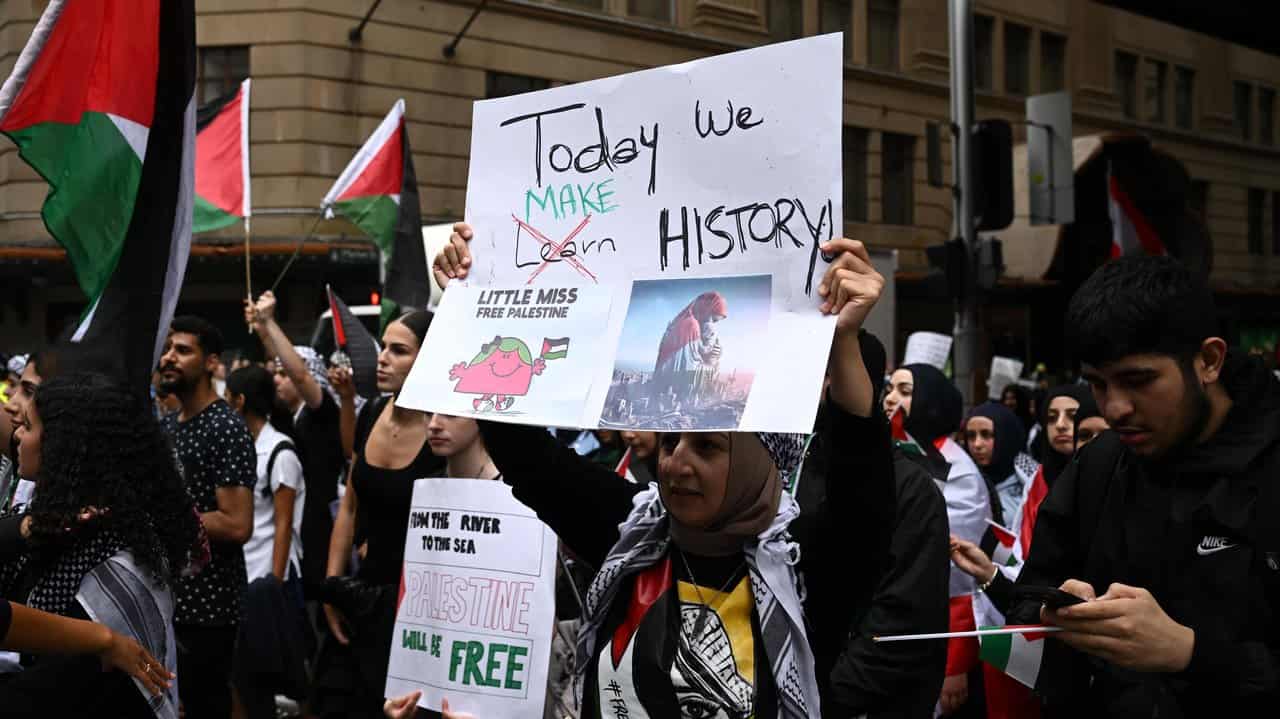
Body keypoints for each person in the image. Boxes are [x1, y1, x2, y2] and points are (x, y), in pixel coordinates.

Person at [421, 223, 894, 718]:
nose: (674, 463)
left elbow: (864, 491)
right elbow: (527, 457)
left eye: (707, 447)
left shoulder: (807, 564)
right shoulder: (632, 530)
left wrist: (843, 339)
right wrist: (477, 305)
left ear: (759, 464)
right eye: (669, 440)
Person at [1004, 256, 1280, 715]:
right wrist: (1058, 611)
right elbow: (1033, 591)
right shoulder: (1100, 464)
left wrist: (1189, 653)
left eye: (1138, 381)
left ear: (1208, 361)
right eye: (1097, 384)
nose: (1115, 408)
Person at [0, 372, 203, 717]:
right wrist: (28, 527)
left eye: (29, 427)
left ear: (63, 448)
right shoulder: (46, 523)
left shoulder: (123, 563)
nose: (17, 434)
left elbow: (51, 693)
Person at [797, 330, 949, 718]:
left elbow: (901, 622)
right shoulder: (786, 468)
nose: (822, 385)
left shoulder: (912, 487)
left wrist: (825, 699)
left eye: (832, 371)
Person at [312, 310, 444, 719]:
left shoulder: (447, 429)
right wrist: (333, 587)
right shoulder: (371, 413)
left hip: (423, 606)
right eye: (383, 346)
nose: (382, 357)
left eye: (398, 350)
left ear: (428, 357)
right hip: (363, 594)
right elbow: (348, 507)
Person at [159, 316, 257, 719]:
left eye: (183, 350)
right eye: (168, 349)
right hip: (169, 598)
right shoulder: (168, 426)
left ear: (212, 362)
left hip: (209, 607)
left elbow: (237, 524)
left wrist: (167, 517)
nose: (168, 358)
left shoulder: (225, 427)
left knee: (207, 705)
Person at [883, 363, 991, 716]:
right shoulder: (897, 453)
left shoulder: (958, 470)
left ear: (930, 402)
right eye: (890, 388)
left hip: (932, 640)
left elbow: (958, 577)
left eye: (905, 391)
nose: (891, 399)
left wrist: (954, 663)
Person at [247, 291, 347, 600]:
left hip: (320, 533)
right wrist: (264, 331)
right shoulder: (293, 417)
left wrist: (270, 322)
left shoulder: (322, 411)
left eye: (282, 373)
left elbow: (300, 374)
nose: (277, 379)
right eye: (274, 373)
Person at [963, 402, 1038, 529]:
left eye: (986, 435)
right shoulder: (962, 481)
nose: (977, 444)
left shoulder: (1033, 482)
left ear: (1006, 437)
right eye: (971, 436)